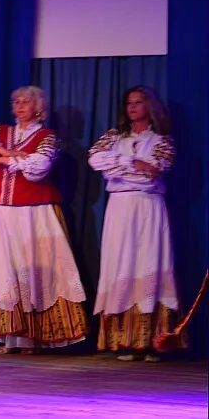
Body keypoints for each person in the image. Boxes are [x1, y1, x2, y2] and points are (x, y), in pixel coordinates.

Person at [0, 86, 87, 354]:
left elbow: (38, 167)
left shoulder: (47, 136)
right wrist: (7, 152)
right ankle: (11, 337)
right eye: (16, 101)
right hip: (0, 208)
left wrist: (1, 157)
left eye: (26, 102)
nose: (20, 106)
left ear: (38, 108)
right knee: (4, 268)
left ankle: (35, 336)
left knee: (34, 268)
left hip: (33, 210)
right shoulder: (0, 131)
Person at [88, 85, 183, 361]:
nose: (132, 108)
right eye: (129, 103)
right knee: (121, 263)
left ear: (149, 106)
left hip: (148, 206)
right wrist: (131, 162)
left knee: (149, 263)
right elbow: (95, 159)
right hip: (119, 207)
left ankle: (153, 341)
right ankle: (124, 341)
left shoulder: (162, 141)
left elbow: (153, 173)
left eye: (138, 103)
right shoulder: (113, 137)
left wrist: (118, 168)